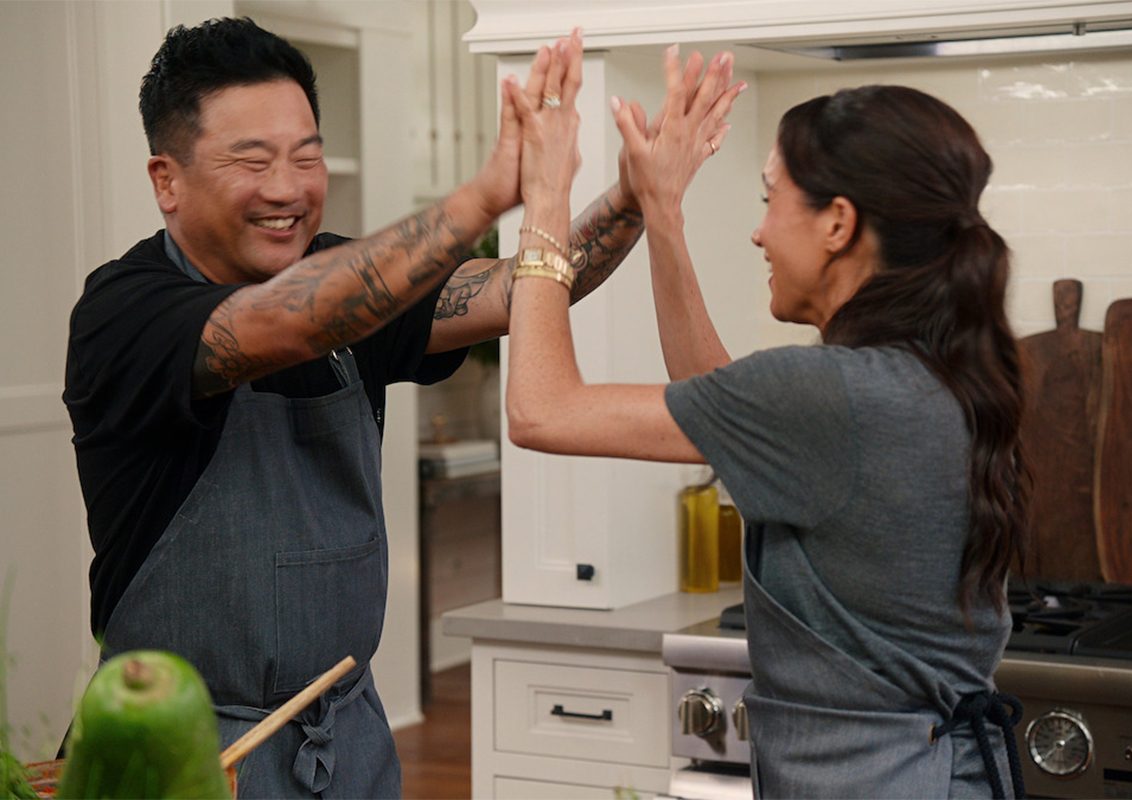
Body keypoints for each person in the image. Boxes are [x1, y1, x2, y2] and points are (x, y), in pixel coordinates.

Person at [61, 17, 678, 799]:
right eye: (252, 161)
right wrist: (490, 192)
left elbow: (518, 290)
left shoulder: (341, 276)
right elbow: (291, 319)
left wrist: (633, 195)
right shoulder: (126, 311)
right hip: (182, 756)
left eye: (306, 155)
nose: (288, 188)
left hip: (346, 742)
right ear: (166, 180)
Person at [505, 34, 1029, 800]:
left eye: (768, 200)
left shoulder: (833, 395)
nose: (758, 231)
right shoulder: (929, 372)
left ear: (837, 223)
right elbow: (722, 405)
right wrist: (661, 211)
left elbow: (540, 412)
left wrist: (546, 195)